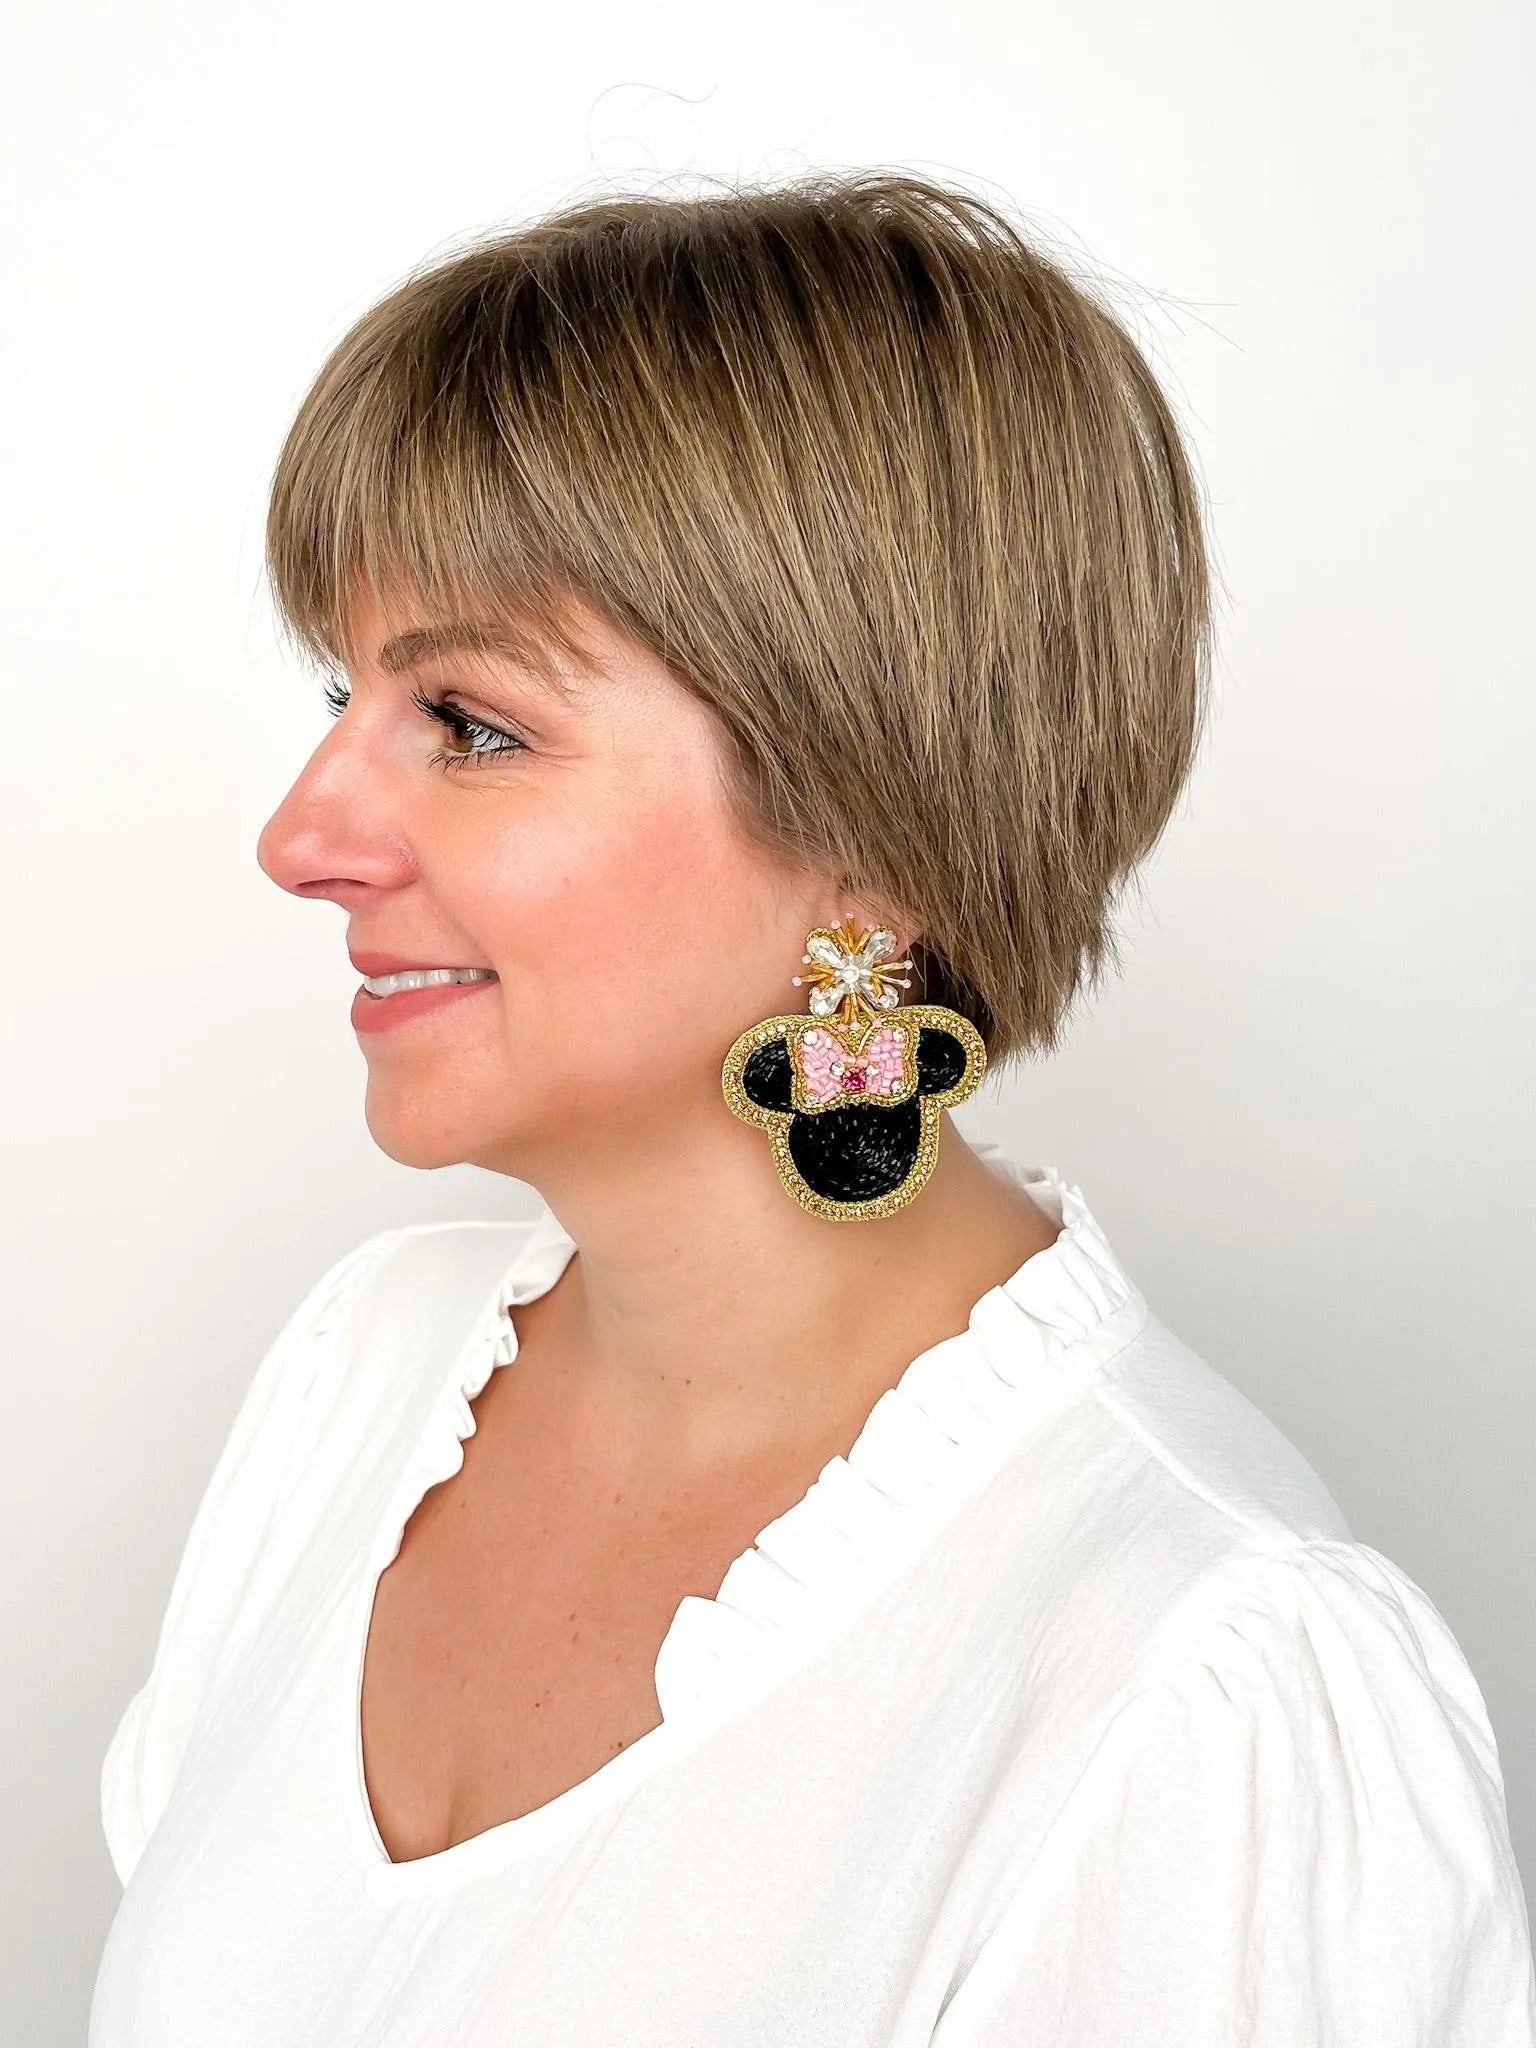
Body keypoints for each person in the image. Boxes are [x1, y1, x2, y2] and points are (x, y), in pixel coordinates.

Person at [89, 170, 1535, 2045]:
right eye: (340, 697)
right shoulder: (356, 1378)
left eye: (471, 725)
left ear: (870, 831)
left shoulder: (1201, 1686)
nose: (301, 839)